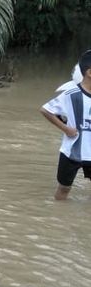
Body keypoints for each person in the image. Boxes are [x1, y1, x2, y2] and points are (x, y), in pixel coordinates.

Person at [40, 50, 91, 200]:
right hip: (71, 152)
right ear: (89, 72)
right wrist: (66, 128)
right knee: (64, 189)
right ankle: (58, 216)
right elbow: (46, 110)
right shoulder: (71, 94)